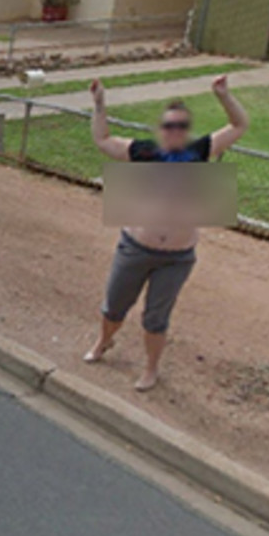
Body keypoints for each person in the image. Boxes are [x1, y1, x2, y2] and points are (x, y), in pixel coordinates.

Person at [84, 76, 249, 390]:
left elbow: (239, 126)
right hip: (135, 247)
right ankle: (103, 342)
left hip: (177, 257)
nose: (174, 131)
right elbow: (103, 140)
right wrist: (100, 103)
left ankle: (150, 369)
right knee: (115, 306)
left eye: (180, 126)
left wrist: (223, 95)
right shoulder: (144, 151)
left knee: (156, 318)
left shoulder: (200, 151)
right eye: (169, 125)